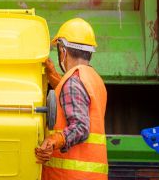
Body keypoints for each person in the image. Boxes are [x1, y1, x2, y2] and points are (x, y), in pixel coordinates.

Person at [35, 18, 108, 180]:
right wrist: (53, 76)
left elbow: (81, 127)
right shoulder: (92, 78)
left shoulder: (74, 81)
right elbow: (75, 100)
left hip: (71, 176)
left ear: (63, 50)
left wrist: (55, 140)